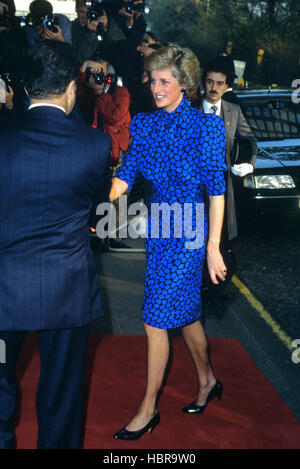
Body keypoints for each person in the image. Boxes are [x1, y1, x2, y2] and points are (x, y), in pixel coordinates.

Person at [109, 44, 228, 440]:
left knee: (154, 318)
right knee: (186, 312)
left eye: (164, 81)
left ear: (184, 84)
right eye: (152, 79)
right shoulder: (144, 125)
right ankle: (207, 379)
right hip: (161, 229)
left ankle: (148, 409)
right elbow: (125, 176)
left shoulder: (206, 127)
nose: (156, 87)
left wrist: (212, 247)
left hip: (192, 231)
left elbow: (216, 191)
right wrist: (93, 200)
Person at [0, 40, 111, 449]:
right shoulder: (95, 146)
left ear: (26, 89)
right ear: (71, 87)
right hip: (65, 291)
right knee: (62, 394)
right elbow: (100, 219)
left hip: (3, 291)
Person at [198, 57, 257, 241]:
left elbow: (251, 140)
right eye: (209, 82)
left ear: (227, 86)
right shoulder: (189, 111)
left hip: (223, 188)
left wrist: (250, 164)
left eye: (219, 83)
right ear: (204, 83)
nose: (214, 88)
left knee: (221, 240)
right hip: (193, 189)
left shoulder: (234, 111)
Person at [77, 58, 131, 167]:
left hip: (112, 153)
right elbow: (77, 92)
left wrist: (100, 94)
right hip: (92, 150)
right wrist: (85, 65)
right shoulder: (90, 92)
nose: (97, 77)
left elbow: (116, 117)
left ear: (109, 77)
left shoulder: (121, 92)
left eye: (101, 73)